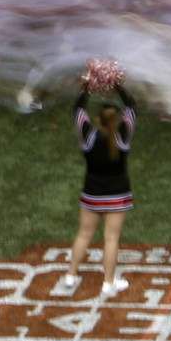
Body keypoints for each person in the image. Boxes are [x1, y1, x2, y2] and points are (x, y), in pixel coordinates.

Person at [64, 80, 136, 296]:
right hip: (117, 195)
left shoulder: (88, 135)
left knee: (84, 234)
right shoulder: (123, 135)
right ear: (118, 119)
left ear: (98, 120)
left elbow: (77, 110)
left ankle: (70, 274)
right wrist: (118, 85)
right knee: (111, 238)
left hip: (91, 194)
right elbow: (131, 107)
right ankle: (108, 282)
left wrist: (87, 86)